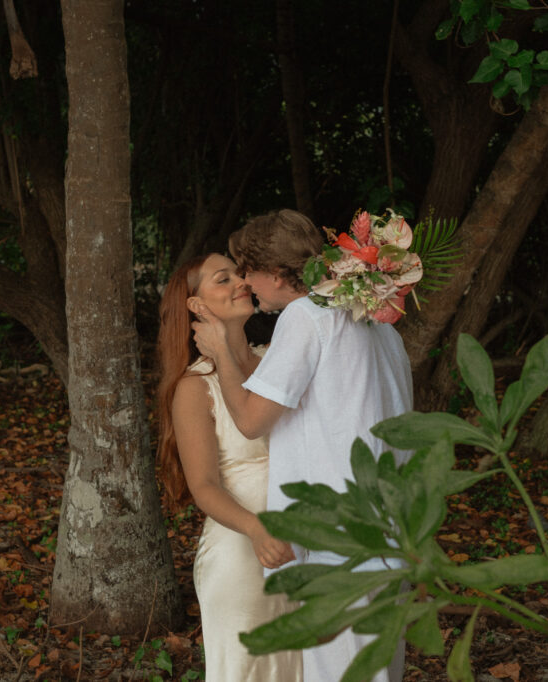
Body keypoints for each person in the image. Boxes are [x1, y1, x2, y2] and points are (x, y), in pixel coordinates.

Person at [192, 209, 414, 682]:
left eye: (247, 271)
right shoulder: (381, 327)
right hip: (393, 529)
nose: (246, 283)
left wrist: (217, 352)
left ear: (275, 273)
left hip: (338, 536)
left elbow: (252, 420)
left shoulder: (305, 317)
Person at [156, 253, 302, 682]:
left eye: (239, 274)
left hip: (305, 539)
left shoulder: (277, 358)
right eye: (224, 279)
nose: (241, 281)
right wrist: (258, 529)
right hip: (244, 551)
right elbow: (203, 486)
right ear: (197, 307)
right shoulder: (194, 386)